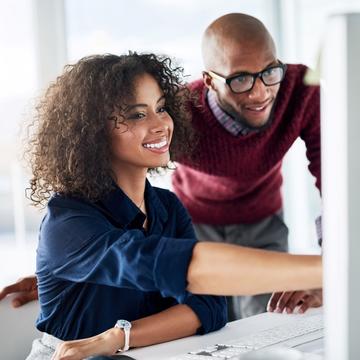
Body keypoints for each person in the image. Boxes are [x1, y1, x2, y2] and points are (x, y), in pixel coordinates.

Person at [0, 52, 322, 360]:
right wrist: (331, 271)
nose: (161, 125)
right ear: (92, 132)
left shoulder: (166, 206)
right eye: (137, 114)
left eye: (162, 108)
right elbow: (179, 268)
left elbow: (209, 306)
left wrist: (119, 337)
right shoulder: (67, 220)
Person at [171, 13, 323, 320]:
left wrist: (333, 264)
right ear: (210, 81)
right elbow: (123, 178)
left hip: (263, 224)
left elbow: (337, 177)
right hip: (194, 229)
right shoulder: (180, 113)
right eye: (240, 79)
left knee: (272, 322)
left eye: (269, 72)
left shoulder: (300, 91)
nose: (260, 93)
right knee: (207, 326)